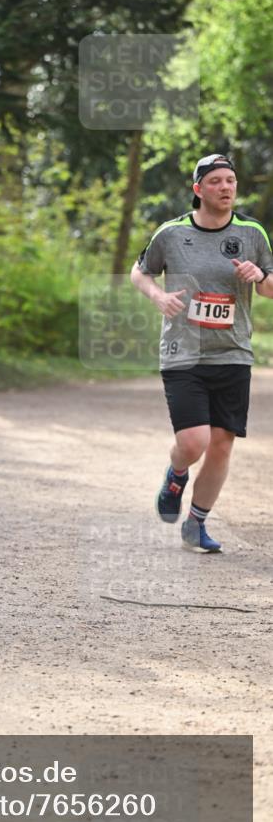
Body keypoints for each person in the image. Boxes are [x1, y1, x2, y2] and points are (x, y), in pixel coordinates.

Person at [131, 153, 273, 552]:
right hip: (183, 353)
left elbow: (270, 288)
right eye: (216, 181)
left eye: (231, 180)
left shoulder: (252, 233)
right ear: (198, 190)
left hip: (233, 352)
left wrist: (259, 276)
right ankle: (177, 474)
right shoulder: (171, 233)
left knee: (223, 443)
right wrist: (158, 296)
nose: (226, 187)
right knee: (194, 442)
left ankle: (197, 522)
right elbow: (139, 271)